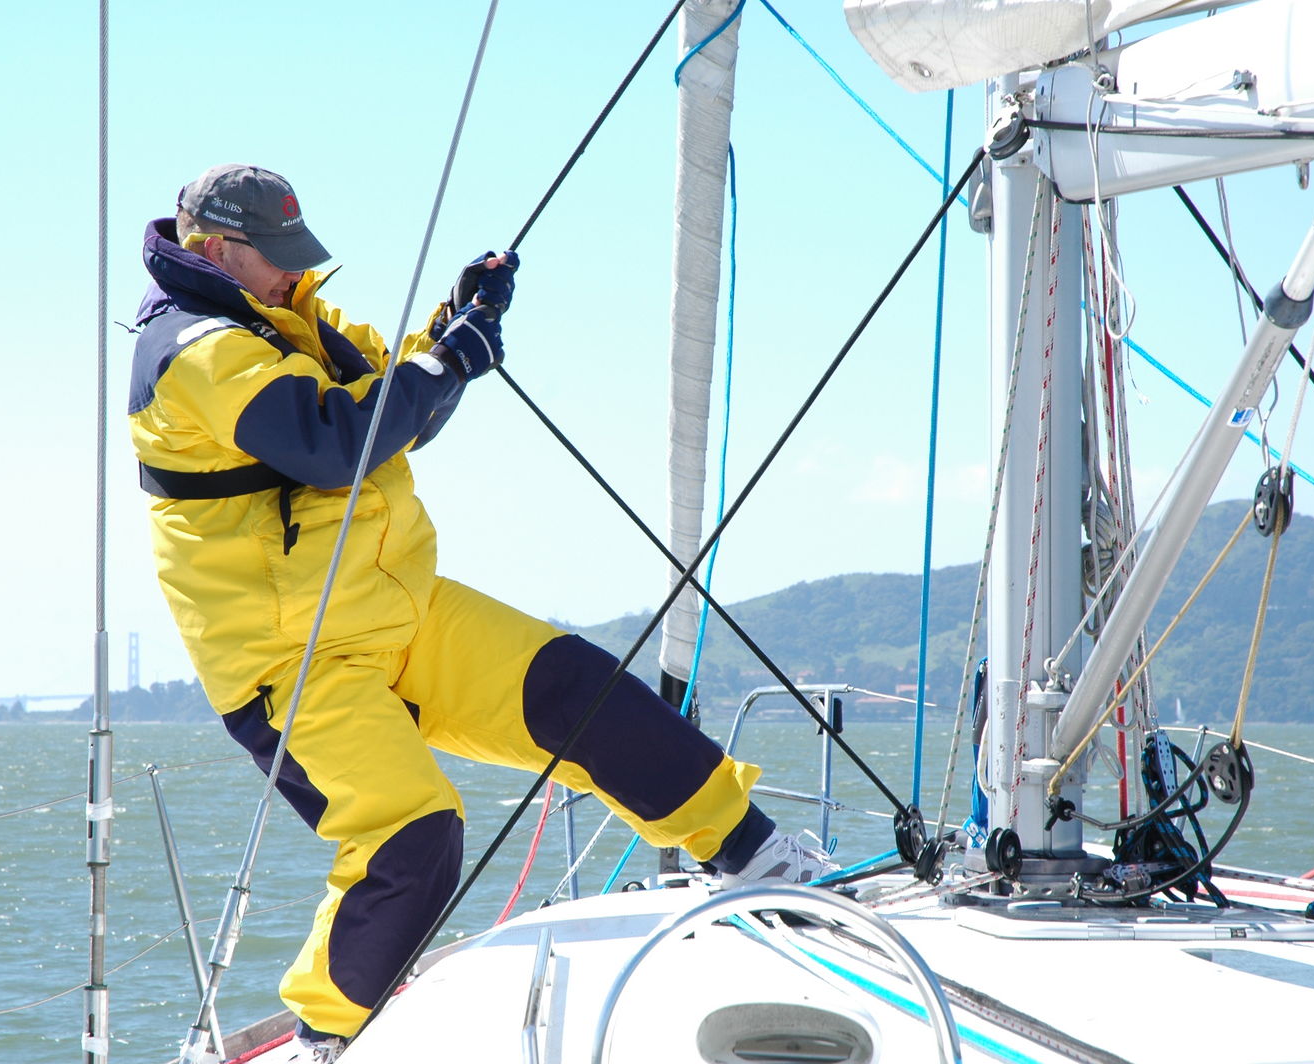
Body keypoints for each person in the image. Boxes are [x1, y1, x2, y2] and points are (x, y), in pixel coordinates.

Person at [128, 163, 836, 1061]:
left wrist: (458, 324)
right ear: (218, 249)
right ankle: (325, 1037)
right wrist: (446, 361)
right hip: (293, 662)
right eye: (278, 256)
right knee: (412, 835)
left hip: (396, 609)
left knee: (579, 688)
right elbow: (333, 441)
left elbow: (401, 401)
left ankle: (757, 855)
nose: (294, 271)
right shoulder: (192, 352)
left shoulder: (291, 317)